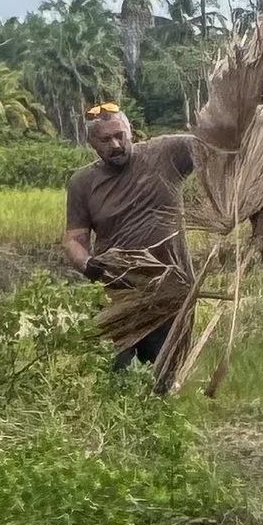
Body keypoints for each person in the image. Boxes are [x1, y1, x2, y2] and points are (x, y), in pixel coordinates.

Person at [62, 103, 196, 380]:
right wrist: (87, 264)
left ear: (130, 131)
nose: (115, 144)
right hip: (117, 291)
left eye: (120, 135)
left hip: (168, 288)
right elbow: (74, 238)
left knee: (163, 372)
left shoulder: (167, 152)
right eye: (105, 140)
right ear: (91, 143)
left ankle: (159, 417)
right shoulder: (82, 183)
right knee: (114, 371)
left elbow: (218, 146)